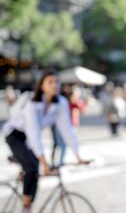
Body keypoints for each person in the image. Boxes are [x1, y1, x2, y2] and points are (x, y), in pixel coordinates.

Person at [2, 70, 89, 213]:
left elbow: (67, 130)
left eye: (57, 82)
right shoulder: (32, 103)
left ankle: (28, 205)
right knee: (32, 167)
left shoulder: (60, 103)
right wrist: (44, 161)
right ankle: (26, 205)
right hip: (15, 135)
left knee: (35, 171)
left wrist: (78, 156)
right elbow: (33, 133)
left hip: (29, 140)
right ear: (42, 86)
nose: (55, 85)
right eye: (50, 82)